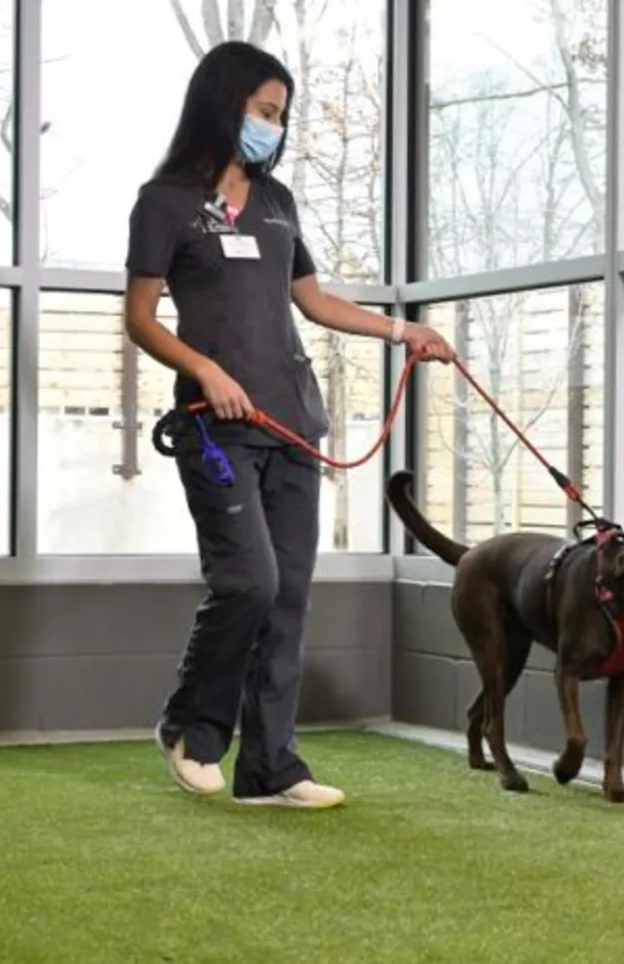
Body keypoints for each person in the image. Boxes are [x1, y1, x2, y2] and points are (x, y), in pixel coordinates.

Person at [124, 40, 455, 809]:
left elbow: (315, 302)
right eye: (263, 111)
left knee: (289, 596)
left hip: (293, 423)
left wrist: (404, 332)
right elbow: (140, 319)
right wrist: (204, 368)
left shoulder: (277, 203)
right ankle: (189, 729)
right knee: (248, 581)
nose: (273, 126)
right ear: (223, 103)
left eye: (280, 115)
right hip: (216, 425)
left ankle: (270, 766)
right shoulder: (165, 200)